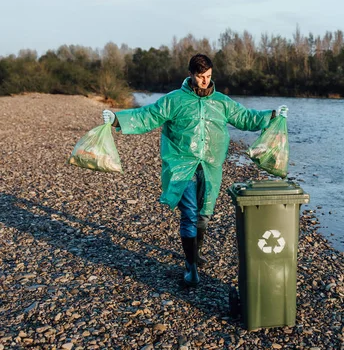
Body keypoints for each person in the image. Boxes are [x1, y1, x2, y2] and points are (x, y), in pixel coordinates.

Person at [102, 53, 287, 286]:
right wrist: (117, 119)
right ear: (190, 75)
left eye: (208, 76)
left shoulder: (221, 102)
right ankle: (190, 267)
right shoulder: (174, 100)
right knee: (189, 215)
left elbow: (246, 118)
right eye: (200, 76)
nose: (205, 81)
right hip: (182, 167)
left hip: (211, 166)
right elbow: (147, 115)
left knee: (204, 215)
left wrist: (272, 115)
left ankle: (195, 254)